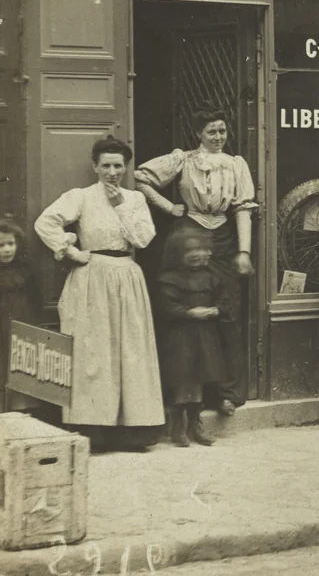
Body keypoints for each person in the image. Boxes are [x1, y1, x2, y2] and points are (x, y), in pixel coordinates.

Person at [34, 136, 164, 452]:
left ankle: (133, 431)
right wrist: (69, 250)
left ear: (126, 167)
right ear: (95, 166)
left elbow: (143, 239)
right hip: (90, 278)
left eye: (118, 165)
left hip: (126, 277)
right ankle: (95, 430)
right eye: (105, 165)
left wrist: (120, 205)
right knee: (94, 351)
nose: (112, 172)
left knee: (129, 350)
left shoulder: (135, 199)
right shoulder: (81, 197)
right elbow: (45, 222)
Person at [136, 108, 258, 418]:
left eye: (222, 131)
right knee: (185, 316)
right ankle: (186, 396)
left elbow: (243, 208)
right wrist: (168, 206)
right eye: (212, 132)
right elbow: (141, 177)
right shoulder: (183, 160)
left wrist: (243, 252)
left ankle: (228, 393)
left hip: (224, 237)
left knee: (227, 313)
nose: (218, 137)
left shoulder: (235, 164)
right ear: (198, 134)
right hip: (187, 235)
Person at [155, 226, 229, 447]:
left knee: (198, 379)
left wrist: (217, 309)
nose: (198, 255)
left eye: (203, 249)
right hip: (180, 337)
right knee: (182, 379)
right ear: (178, 254)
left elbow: (225, 301)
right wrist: (189, 312)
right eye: (191, 251)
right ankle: (178, 426)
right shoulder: (169, 279)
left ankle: (194, 425)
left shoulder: (212, 278)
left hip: (205, 336)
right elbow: (166, 308)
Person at [0, 216, 40, 412]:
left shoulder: (24, 270)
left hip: (20, 327)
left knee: (20, 371)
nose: (7, 249)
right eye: (1, 245)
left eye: (11, 244)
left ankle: (20, 412)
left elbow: (35, 300)